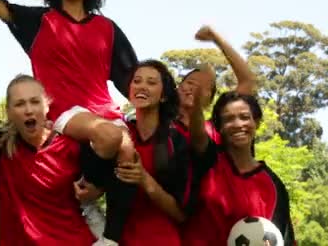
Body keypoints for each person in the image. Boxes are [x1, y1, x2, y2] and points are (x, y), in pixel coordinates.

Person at [0, 0, 138, 161]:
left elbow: (131, 79)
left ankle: (96, 185)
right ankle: (92, 180)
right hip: (63, 111)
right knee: (109, 136)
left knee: (130, 156)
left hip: (106, 112)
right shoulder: (38, 21)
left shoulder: (107, 28)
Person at [0, 22, 97, 245]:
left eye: (35, 102)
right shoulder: (0, 143)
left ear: (47, 106)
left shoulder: (72, 144)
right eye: (19, 104)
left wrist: (97, 188)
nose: (28, 109)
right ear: (8, 111)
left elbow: (111, 178)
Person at [81, 60, 195, 245]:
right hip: (115, 238)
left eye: (151, 82)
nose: (142, 86)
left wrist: (144, 178)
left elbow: (181, 214)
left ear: (164, 96)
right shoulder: (117, 133)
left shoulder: (177, 141)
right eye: (137, 81)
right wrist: (93, 190)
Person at [184, 86, 296, 245]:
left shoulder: (273, 186)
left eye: (244, 117)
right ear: (219, 127)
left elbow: (284, 237)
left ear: (256, 123)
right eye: (228, 119)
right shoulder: (207, 163)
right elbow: (197, 135)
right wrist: (197, 105)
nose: (238, 124)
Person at [176, 25, 257, 144]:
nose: (195, 88)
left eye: (204, 87)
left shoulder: (216, 131)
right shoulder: (161, 124)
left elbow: (247, 81)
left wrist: (217, 39)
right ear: (178, 89)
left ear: (210, 102)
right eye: (190, 82)